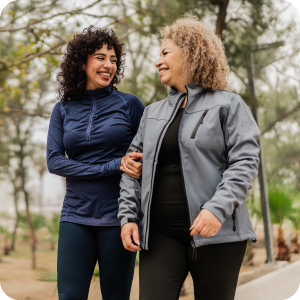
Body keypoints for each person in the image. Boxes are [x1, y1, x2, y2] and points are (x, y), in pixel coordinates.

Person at [118, 14, 260, 300]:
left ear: (192, 53)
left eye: (165, 52)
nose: (158, 60)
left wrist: (216, 209)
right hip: (160, 235)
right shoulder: (152, 113)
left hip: (216, 234)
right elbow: (131, 168)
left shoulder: (229, 105)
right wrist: (128, 217)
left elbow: (244, 163)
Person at [47, 26, 145, 300]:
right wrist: (111, 166)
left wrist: (138, 168)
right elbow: (55, 162)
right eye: (100, 57)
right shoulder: (63, 109)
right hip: (75, 215)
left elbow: (149, 155)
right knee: (68, 296)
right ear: (82, 61)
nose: (108, 65)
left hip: (118, 218)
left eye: (113, 59)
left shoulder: (130, 105)